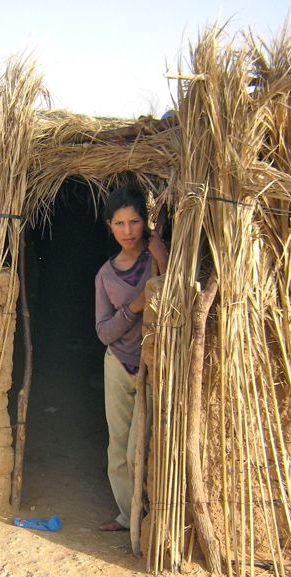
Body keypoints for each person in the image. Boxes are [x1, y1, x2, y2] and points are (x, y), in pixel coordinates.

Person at [95, 187, 168, 532]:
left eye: (134, 221)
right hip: (117, 364)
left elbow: (175, 297)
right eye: (119, 223)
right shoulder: (105, 275)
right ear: (109, 226)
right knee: (118, 446)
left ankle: (149, 518)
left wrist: (164, 260)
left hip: (151, 365)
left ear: (145, 223)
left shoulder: (153, 261)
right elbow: (104, 332)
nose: (127, 231)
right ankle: (128, 516)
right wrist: (134, 307)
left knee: (139, 448)